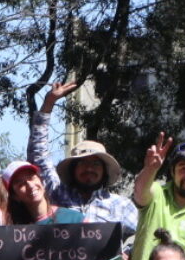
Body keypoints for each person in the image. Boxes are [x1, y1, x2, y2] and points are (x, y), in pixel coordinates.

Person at [28, 79, 139, 230]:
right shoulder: (56, 194)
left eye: (95, 164)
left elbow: (145, 238)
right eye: (83, 163)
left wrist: (127, 253)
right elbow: (38, 155)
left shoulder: (121, 205)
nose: (89, 169)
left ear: (104, 170)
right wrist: (49, 103)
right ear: (73, 168)